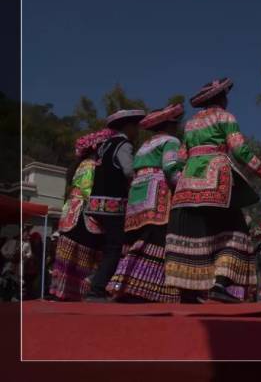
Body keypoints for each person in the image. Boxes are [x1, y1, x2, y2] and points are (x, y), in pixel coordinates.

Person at [165, 77, 261, 304]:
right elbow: (240, 150)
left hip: (187, 185)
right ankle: (219, 284)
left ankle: (189, 290)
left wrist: (179, 180)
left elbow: (181, 157)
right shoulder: (225, 117)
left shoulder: (191, 124)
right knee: (235, 233)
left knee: (194, 235)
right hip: (216, 181)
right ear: (222, 98)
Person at [106, 104, 185, 303]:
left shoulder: (144, 145)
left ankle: (123, 285)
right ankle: (149, 289)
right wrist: (184, 188)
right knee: (156, 238)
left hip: (136, 194)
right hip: (157, 193)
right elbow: (169, 167)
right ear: (171, 125)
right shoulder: (171, 141)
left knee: (135, 239)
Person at [85, 109, 145, 301]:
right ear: (127, 126)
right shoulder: (123, 144)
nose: (136, 130)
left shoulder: (104, 145)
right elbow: (128, 171)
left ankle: (96, 282)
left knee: (106, 247)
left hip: (96, 203)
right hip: (113, 204)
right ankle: (97, 288)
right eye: (135, 126)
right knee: (114, 248)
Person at [50, 129, 114, 301]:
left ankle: (62, 292)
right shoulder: (93, 165)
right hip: (84, 212)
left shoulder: (80, 165)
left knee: (69, 256)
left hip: (71, 210)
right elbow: (89, 190)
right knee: (86, 253)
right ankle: (79, 292)